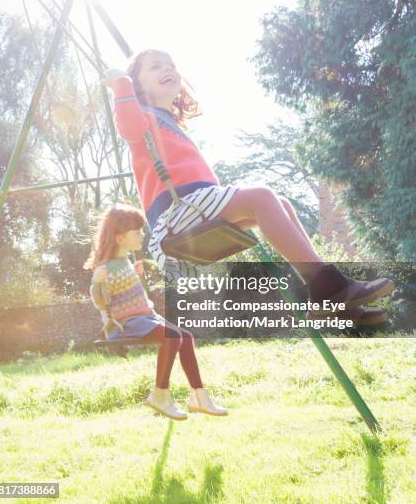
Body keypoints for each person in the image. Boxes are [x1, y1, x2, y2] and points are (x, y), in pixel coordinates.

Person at [104, 49, 393, 325]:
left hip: (196, 208)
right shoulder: (141, 115)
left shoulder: (170, 122)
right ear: (137, 86)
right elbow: (128, 127)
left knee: (280, 203)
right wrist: (121, 85)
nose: (167, 68)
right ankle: (330, 288)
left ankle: (329, 299)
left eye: (170, 64)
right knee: (262, 198)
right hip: (174, 216)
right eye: (155, 66)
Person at [84, 203, 228, 420]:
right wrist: (96, 282)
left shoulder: (125, 261)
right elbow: (100, 301)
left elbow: (125, 291)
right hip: (126, 324)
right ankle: (160, 394)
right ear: (120, 238)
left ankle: (199, 397)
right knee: (172, 336)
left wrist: (133, 273)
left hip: (146, 317)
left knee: (185, 338)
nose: (143, 235)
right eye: (137, 232)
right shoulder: (106, 267)